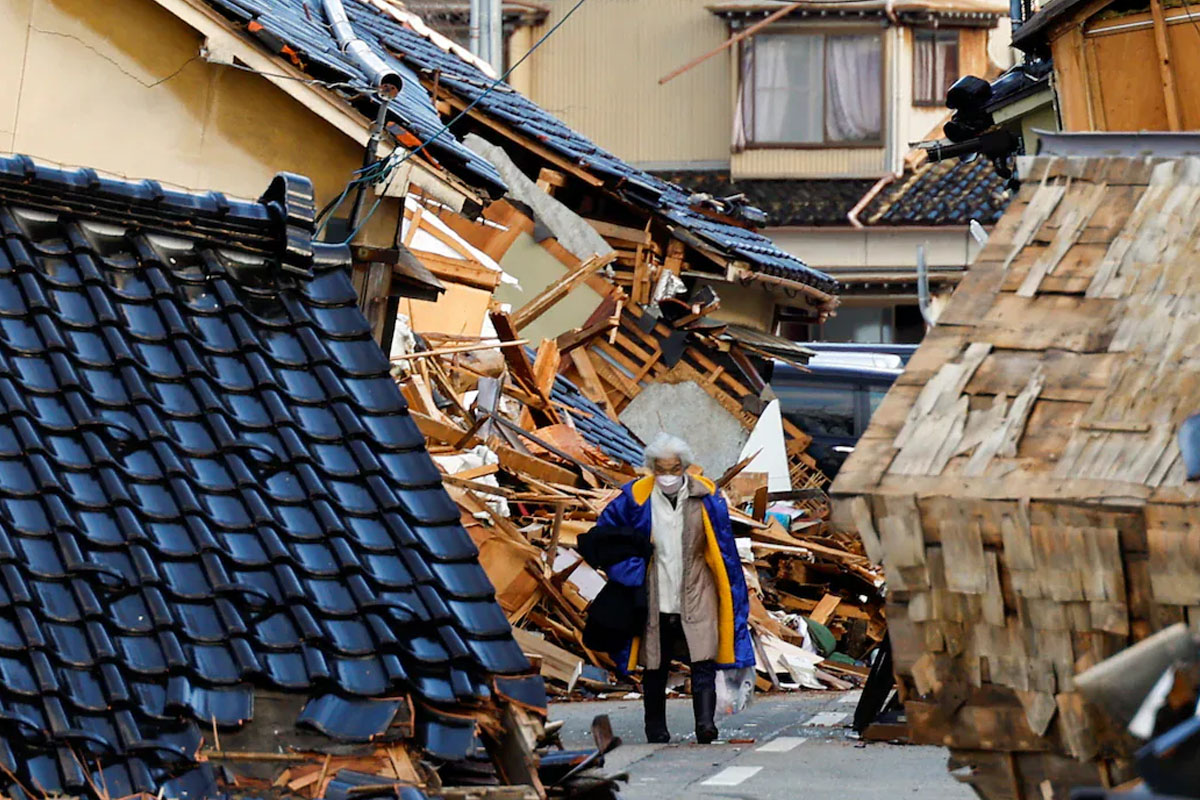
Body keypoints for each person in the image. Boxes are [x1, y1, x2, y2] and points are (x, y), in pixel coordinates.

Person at [593, 433, 753, 744]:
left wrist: (731, 592)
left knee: (703, 658)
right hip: (654, 591)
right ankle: (655, 726)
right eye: (661, 469)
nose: (668, 476)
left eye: (674, 468)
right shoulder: (634, 499)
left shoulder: (706, 498)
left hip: (698, 587)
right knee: (655, 661)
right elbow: (604, 537)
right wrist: (629, 570)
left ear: (685, 467)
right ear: (652, 468)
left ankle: (705, 724)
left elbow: (723, 548)